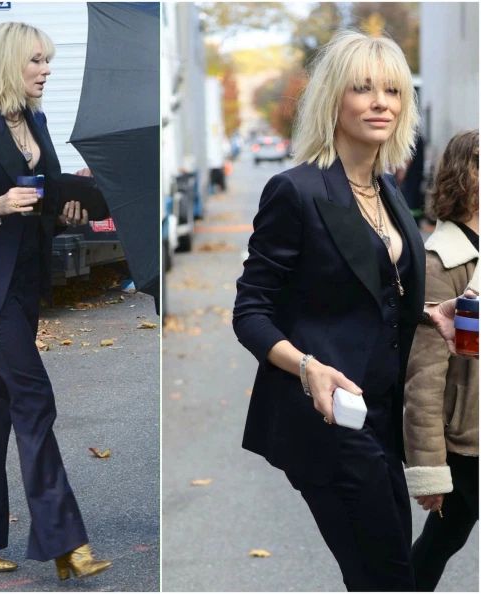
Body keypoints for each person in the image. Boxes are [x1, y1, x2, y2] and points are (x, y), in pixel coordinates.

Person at [233, 30, 424, 591]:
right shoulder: (296, 191)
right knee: (388, 577)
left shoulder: (387, 190)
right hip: (326, 422)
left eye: (392, 90)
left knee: (384, 577)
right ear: (334, 100)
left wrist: (428, 309)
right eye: (363, 89)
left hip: (383, 419)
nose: (380, 102)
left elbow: (372, 289)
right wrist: (308, 365)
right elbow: (251, 311)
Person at [0, 22, 111, 580]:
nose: (46, 70)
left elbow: (47, 199)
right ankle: (65, 542)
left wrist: (67, 210)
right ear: (9, 62)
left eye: (48, 60)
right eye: (36, 60)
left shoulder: (37, 121)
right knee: (33, 398)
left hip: (25, 282)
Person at [403, 130, 479, 591]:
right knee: (444, 536)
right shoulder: (440, 262)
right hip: (467, 438)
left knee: (445, 537)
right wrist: (429, 469)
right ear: (465, 175)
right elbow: (424, 378)